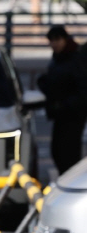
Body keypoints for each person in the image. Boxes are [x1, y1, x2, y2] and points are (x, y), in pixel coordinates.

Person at [37, 25, 87, 174]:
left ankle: (70, 183)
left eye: (57, 40)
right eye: (51, 40)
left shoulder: (75, 58)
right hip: (61, 113)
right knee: (58, 151)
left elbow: (82, 89)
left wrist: (65, 104)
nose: (54, 44)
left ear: (65, 39)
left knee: (67, 154)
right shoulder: (59, 58)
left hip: (72, 114)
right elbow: (58, 81)